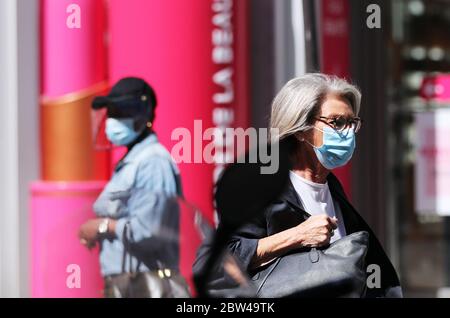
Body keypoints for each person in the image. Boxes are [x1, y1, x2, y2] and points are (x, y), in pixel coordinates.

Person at [226, 73, 403, 297]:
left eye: (352, 122)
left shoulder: (332, 190)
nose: (347, 132)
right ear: (301, 129)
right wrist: (298, 235)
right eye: (336, 122)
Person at [78, 77, 187, 297]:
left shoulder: (153, 161)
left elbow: (149, 231)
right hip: (128, 285)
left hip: (147, 286)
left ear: (143, 115)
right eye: (111, 112)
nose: (112, 120)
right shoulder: (133, 161)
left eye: (121, 111)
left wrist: (102, 226)